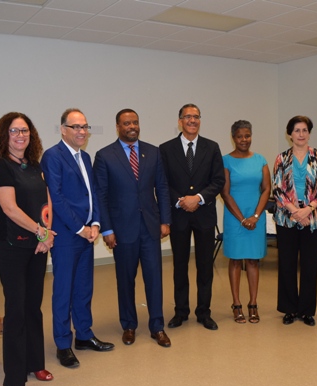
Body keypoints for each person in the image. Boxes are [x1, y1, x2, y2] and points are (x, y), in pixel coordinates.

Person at [0, 112, 55, 386]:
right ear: (5, 135)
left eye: (24, 130)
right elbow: (10, 210)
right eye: (14, 131)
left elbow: (46, 200)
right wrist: (42, 233)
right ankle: (13, 380)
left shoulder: (34, 165)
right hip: (11, 246)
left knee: (33, 306)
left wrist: (46, 233)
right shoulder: (0, 167)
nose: (20, 135)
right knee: (15, 310)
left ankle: (34, 363)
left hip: (36, 244)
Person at [41, 108, 114, 369]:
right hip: (67, 235)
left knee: (84, 288)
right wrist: (80, 227)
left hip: (86, 233)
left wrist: (95, 223)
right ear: (63, 129)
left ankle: (83, 335)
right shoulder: (53, 156)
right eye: (76, 127)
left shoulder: (85, 157)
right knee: (63, 290)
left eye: (84, 127)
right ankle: (63, 344)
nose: (82, 131)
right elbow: (56, 197)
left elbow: (92, 193)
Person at [93, 109, 172, 347]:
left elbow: (163, 188)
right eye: (127, 123)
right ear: (118, 126)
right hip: (122, 229)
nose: (132, 126)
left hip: (150, 227)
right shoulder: (105, 155)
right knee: (125, 280)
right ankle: (129, 325)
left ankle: (157, 326)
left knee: (154, 279)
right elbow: (101, 196)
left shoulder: (153, 152)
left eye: (135, 122)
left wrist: (165, 220)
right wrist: (107, 229)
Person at [160, 104, 225, 331]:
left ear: (200, 120)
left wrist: (197, 198)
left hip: (204, 215)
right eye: (187, 117)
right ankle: (181, 311)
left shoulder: (212, 147)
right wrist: (181, 200)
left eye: (196, 117)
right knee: (180, 265)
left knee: (205, 265)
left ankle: (204, 312)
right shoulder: (165, 149)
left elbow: (218, 181)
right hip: (178, 216)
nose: (192, 120)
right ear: (180, 121)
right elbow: (163, 183)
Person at [272, 115, 317, 327]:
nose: (301, 134)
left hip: (313, 219)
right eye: (297, 130)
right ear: (290, 134)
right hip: (287, 219)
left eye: (305, 130)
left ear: (309, 133)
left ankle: (306, 311)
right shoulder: (281, 158)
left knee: (309, 265)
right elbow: (277, 189)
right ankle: (289, 309)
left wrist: (307, 210)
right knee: (287, 265)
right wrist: (295, 211)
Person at [220, 120, 270, 324]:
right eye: (240, 136)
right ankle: (237, 304)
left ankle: (253, 304)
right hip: (235, 218)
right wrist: (242, 219)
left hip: (256, 217)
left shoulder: (261, 160)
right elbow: (225, 192)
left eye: (247, 135)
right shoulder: (225, 161)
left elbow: (267, 189)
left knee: (252, 260)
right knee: (235, 260)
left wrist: (256, 216)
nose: (244, 140)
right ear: (233, 137)